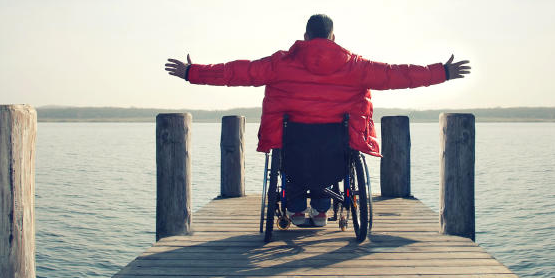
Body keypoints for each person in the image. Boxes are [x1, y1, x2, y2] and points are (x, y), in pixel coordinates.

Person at [165, 14, 470, 226]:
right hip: (336, 148)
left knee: (291, 157)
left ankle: (296, 208)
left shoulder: (280, 64)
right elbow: (398, 75)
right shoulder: (356, 66)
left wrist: (193, 73)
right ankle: (323, 208)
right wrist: (441, 72)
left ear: (306, 37)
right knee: (334, 155)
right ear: (332, 37)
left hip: (292, 144)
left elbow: (236, 73)